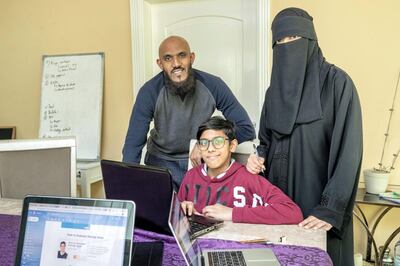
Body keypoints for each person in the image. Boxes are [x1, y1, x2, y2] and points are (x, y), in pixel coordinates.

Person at [246, 8, 362, 265]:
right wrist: (259, 157)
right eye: (280, 42)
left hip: (316, 204)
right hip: (278, 201)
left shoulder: (337, 84)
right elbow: (265, 140)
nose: (287, 47)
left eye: (294, 39)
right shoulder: (272, 91)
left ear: (310, 41)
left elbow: (349, 153)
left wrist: (329, 210)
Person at [123, 36, 255, 191]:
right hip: (160, 163)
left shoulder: (213, 85)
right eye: (168, 58)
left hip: (201, 162)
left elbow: (246, 128)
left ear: (191, 57)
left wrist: (206, 143)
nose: (176, 64)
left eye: (182, 55)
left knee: (203, 214)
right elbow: (133, 143)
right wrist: (127, 184)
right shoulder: (149, 91)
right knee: (161, 214)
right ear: (160, 64)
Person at [178, 116, 303, 224]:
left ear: (232, 146)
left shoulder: (249, 178)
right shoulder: (191, 176)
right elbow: (174, 217)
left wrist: (232, 213)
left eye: (218, 142)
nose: (210, 149)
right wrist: (180, 210)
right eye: (204, 143)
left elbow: (293, 213)